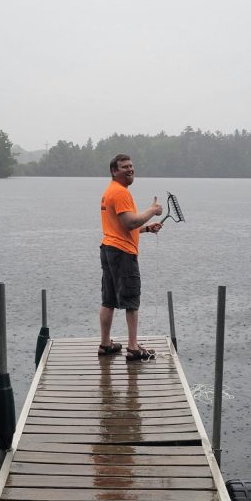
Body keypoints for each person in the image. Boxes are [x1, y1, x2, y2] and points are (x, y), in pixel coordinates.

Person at [99, 153, 162, 361]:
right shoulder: (119, 193)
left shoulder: (111, 191)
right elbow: (130, 223)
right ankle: (133, 348)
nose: (130, 169)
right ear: (114, 171)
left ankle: (106, 344)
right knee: (131, 300)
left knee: (108, 300)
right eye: (124, 167)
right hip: (123, 253)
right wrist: (152, 210)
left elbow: (123, 227)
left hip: (109, 248)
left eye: (132, 166)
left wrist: (146, 229)